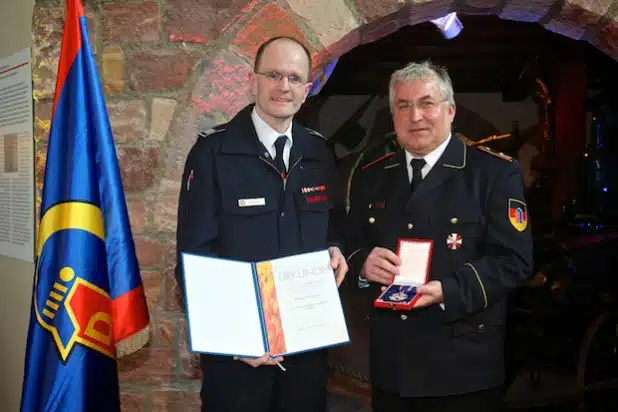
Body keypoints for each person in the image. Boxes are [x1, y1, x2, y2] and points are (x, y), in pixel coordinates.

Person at [345, 61, 533, 412]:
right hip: (393, 369)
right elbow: (349, 245)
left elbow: (515, 260)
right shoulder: (371, 177)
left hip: (463, 369)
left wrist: (448, 290)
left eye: (427, 103)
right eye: (403, 105)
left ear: (450, 111)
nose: (415, 115)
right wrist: (361, 263)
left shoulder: (493, 173)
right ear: (393, 116)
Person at [175, 36, 348, 412]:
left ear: (306, 89)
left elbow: (332, 226)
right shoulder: (212, 153)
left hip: (305, 356)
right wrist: (235, 338)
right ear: (253, 81)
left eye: (293, 78)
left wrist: (335, 248)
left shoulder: (319, 152)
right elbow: (194, 259)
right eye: (273, 75)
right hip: (238, 362)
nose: (283, 86)